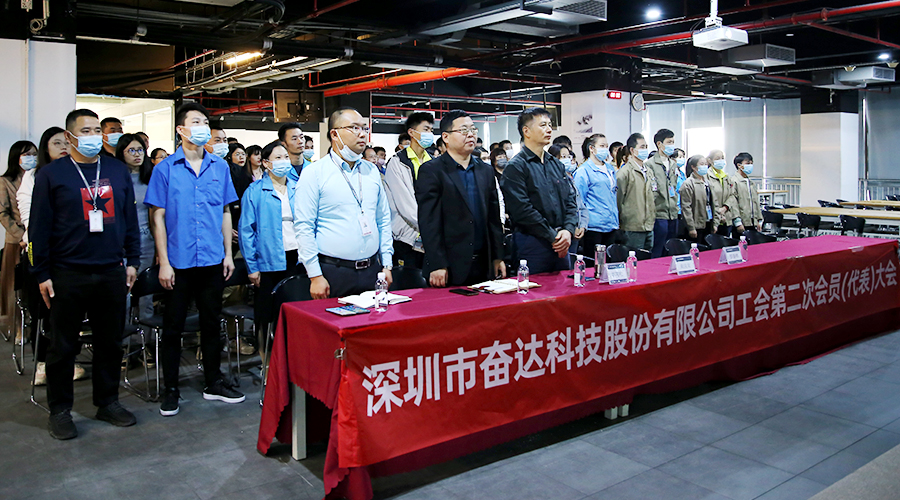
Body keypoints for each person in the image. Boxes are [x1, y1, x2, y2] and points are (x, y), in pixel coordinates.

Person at [31, 109, 141, 439]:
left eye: (97, 130)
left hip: (111, 270)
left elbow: (129, 219)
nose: (94, 136)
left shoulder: (116, 170)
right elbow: (38, 227)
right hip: (67, 272)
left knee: (110, 342)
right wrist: (41, 273)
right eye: (86, 131)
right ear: (70, 137)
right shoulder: (52, 175)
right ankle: (60, 409)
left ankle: (107, 402)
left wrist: (133, 260)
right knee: (63, 346)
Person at [144, 102, 245, 417]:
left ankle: (213, 382)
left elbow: (225, 211)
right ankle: (171, 389)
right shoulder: (165, 169)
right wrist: (163, 261)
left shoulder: (219, 167)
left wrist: (228, 254)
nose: (203, 127)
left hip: (213, 259)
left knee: (211, 324)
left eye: (205, 122)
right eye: (196, 122)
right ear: (181, 129)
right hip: (179, 262)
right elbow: (157, 217)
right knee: (173, 327)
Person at [294, 106, 393, 299]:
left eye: (364, 128)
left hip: (372, 269)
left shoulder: (371, 170)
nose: (362, 134)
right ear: (334, 134)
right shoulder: (315, 173)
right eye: (354, 128)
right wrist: (315, 275)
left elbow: (383, 219)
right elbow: (304, 226)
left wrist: (387, 264)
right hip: (333, 272)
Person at [17, 127, 81, 385]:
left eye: (66, 143)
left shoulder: (77, 173)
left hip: (71, 255)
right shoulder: (34, 176)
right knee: (42, 311)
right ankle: (42, 363)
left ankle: (69, 359)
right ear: (45, 148)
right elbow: (30, 217)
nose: (64, 147)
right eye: (57, 143)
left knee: (68, 314)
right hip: (41, 253)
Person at [416, 110, 505, 287]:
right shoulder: (432, 171)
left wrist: (498, 256)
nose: (470, 134)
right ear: (446, 137)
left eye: (473, 129)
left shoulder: (485, 170)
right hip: (449, 265)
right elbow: (429, 222)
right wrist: (437, 263)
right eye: (464, 130)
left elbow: (493, 219)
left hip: (484, 262)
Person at [238, 141, 300, 349]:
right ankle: (267, 356)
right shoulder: (255, 191)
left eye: (286, 157)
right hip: (268, 259)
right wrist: (252, 267)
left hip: (296, 257)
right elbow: (247, 231)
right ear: (266, 163)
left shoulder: (297, 187)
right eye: (278, 158)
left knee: (295, 309)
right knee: (267, 312)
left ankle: (292, 353)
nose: (284, 161)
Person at [501, 108, 577, 274]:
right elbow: (522, 210)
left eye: (549, 125)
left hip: (561, 240)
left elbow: (571, 200)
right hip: (532, 243)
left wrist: (568, 230)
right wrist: (552, 236)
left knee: (563, 287)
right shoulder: (516, 167)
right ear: (526, 131)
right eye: (543, 125)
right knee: (535, 288)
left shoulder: (556, 164)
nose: (549, 129)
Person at [384, 112, 434, 269]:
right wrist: (432, 227)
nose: (430, 134)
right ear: (412, 133)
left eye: (431, 130)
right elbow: (405, 205)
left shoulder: (432, 162)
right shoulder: (397, 163)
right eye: (426, 129)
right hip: (406, 238)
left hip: (430, 237)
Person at [115, 134, 156, 322]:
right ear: (121, 153)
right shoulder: (115, 178)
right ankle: (123, 335)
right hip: (122, 243)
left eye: (140, 150)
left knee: (146, 296)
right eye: (131, 150)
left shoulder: (151, 178)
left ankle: (146, 336)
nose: (137, 154)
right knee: (123, 294)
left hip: (146, 241)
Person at [1, 141, 35, 342]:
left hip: (35, 240)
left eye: (34, 154)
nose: (32, 158)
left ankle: (33, 325)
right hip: (16, 241)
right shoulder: (5, 181)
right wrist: (21, 236)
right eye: (27, 154)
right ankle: (17, 328)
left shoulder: (39, 177)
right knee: (14, 288)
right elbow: (3, 213)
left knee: (32, 287)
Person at [574, 134, 619, 251]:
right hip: (593, 225)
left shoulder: (610, 169)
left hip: (611, 223)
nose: (605, 149)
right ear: (591, 148)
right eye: (602, 146)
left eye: (606, 146)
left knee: (610, 258)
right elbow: (579, 200)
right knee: (593, 259)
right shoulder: (583, 171)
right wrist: (580, 224)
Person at [615, 133, 655, 251]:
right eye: (642, 147)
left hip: (648, 225)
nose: (645, 150)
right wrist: (622, 220)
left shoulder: (648, 171)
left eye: (646, 147)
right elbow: (618, 199)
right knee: (634, 257)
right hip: (632, 226)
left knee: (648, 257)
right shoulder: (624, 172)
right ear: (632, 150)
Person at [646, 129, 681, 258]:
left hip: (673, 212)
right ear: (659, 144)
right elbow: (651, 190)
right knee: (658, 247)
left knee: (670, 248)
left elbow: (674, 187)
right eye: (669, 142)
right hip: (659, 212)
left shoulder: (673, 164)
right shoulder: (650, 164)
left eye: (673, 142)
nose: (672, 145)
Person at [550, 143, 586, 246]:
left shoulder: (569, 180)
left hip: (575, 229)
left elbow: (580, 206)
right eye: (563, 156)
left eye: (568, 156)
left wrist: (582, 226)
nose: (567, 160)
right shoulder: (550, 180)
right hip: (561, 231)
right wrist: (569, 228)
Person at [680, 155, 715, 244]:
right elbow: (686, 207)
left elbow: (714, 202)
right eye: (702, 164)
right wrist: (691, 227)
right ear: (693, 167)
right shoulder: (688, 183)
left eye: (706, 164)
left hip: (709, 221)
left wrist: (715, 223)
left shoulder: (708, 182)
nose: (705, 166)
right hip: (696, 224)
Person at [707, 150, 738, 235]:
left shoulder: (727, 177)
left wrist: (725, 208)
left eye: (722, 158)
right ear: (710, 160)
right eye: (717, 158)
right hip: (712, 218)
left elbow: (733, 195)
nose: (720, 160)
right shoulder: (706, 176)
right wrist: (718, 212)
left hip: (727, 216)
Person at [730, 152, 762, 234]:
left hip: (753, 222)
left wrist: (759, 220)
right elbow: (733, 203)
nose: (750, 165)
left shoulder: (751, 183)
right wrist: (737, 222)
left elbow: (756, 202)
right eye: (747, 163)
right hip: (741, 222)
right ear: (739, 165)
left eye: (751, 163)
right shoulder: (734, 181)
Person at [489, 147, 509, 229]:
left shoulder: (510, 173)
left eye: (504, 157)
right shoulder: (492, 175)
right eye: (499, 157)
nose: (502, 159)